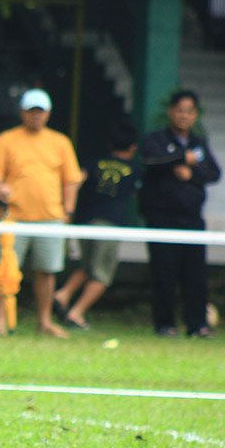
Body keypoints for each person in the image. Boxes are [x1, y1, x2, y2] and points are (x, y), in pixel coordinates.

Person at [0, 88, 82, 338]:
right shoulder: (6, 139)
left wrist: (68, 211)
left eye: (40, 112)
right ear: (22, 113)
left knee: (47, 270)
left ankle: (45, 321)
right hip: (13, 217)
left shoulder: (60, 142)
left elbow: (71, 179)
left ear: (48, 114)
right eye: (31, 111)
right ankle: (0, 319)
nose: (35, 116)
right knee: (5, 269)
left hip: (51, 217)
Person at [140, 90, 222, 338]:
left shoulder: (199, 142)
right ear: (171, 112)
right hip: (163, 218)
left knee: (195, 275)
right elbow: (149, 161)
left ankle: (198, 325)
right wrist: (178, 159)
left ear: (195, 115)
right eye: (180, 110)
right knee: (164, 274)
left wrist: (192, 173)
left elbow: (214, 173)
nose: (184, 115)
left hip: (192, 219)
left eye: (189, 111)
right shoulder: (156, 139)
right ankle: (165, 324)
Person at [53, 122, 142, 331]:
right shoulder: (135, 170)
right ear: (133, 148)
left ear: (110, 144)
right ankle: (76, 314)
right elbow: (140, 192)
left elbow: (75, 181)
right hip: (109, 225)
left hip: (85, 222)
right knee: (102, 274)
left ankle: (62, 295)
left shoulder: (94, 163)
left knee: (88, 265)